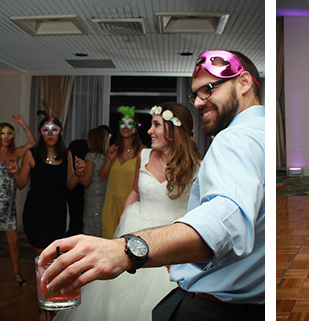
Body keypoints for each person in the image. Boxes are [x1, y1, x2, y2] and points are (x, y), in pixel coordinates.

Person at [38, 50, 265, 320]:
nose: (200, 102)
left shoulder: (233, 140)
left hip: (214, 307)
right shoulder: (261, 131)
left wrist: (125, 250)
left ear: (244, 82)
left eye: (208, 89)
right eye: (196, 94)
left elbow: (225, 221)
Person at [55, 102, 200, 321]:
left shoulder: (199, 164)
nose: (149, 130)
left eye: (156, 125)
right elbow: (135, 191)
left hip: (173, 235)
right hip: (137, 228)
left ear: (174, 129)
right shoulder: (144, 156)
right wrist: (123, 223)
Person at [0, 108, 37, 287]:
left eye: (9, 133)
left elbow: (33, 142)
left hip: (8, 204)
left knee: (13, 240)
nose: (5, 136)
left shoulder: (16, 153)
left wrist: (22, 124)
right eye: (2, 133)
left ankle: (16, 272)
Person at [13, 108, 83, 255]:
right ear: (41, 133)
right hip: (36, 210)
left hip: (57, 210)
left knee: (56, 252)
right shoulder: (31, 154)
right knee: (42, 253)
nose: (50, 134)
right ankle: (43, 279)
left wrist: (77, 173)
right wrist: (14, 173)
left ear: (60, 132)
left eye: (54, 130)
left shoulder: (66, 154)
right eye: (46, 130)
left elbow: (70, 185)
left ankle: (52, 279)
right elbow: (21, 184)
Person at [100, 106, 143, 238]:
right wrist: (109, 158)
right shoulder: (114, 150)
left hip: (131, 206)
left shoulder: (142, 152)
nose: (125, 126)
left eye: (129, 123)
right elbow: (101, 176)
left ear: (135, 128)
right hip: (110, 206)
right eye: (122, 123)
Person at [79, 127, 110, 237]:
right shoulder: (107, 157)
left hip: (93, 198)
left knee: (92, 226)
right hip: (105, 197)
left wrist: (76, 174)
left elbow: (86, 180)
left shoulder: (91, 157)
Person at [66, 138, 89, 237]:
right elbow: (84, 182)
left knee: (76, 218)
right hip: (77, 192)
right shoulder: (87, 159)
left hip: (75, 193)